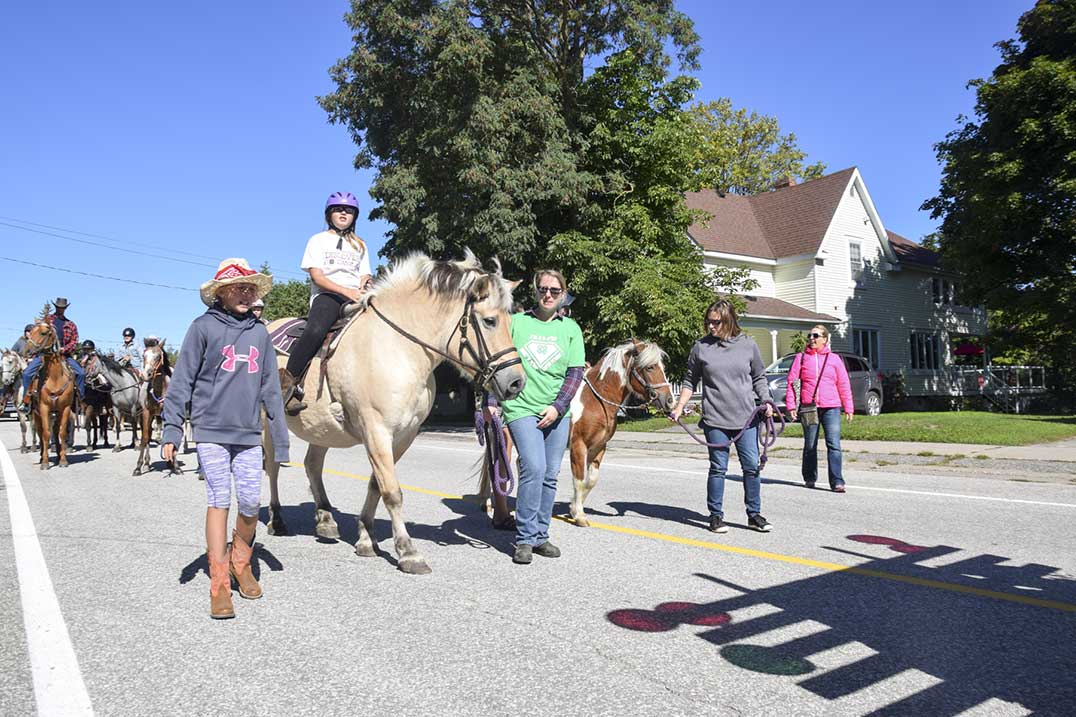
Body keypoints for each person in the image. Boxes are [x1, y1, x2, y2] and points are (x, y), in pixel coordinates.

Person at [161, 258, 290, 620]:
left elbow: (270, 388)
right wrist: (172, 428)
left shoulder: (260, 334)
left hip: (248, 432)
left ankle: (240, 562)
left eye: (252, 288)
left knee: (250, 502)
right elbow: (182, 380)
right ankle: (218, 583)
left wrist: (279, 439)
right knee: (219, 498)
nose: (247, 293)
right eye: (240, 287)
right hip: (211, 430)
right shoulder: (202, 328)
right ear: (221, 292)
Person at [490, 269, 585, 565]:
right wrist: (491, 400)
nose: (548, 295)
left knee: (551, 474)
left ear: (562, 295)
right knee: (534, 466)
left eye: (555, 291)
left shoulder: (571, 329)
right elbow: (497, 359)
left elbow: (575, 373)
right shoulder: (517, 323)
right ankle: (524, 538)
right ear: (535, 291)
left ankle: (541, 535)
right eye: (543, 289)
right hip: (521, 407)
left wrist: (558, 407)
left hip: (557, 411)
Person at [669, 299, 773, 534]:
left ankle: (754, 514)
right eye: (707, 322)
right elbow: (689, 380)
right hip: (715, 419)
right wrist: (679, 407)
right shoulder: (701, 347)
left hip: (747, 419)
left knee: (751, 467)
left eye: (715, 322)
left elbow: (759, 377)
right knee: (718, 468)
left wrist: (766, 400)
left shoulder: (748, 345)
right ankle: (716, 516)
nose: (710, 327)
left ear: (728, 320)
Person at [280, 191, 373, 413]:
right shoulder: (318, 240)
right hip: (328, 294)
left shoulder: (360, 244)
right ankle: (287, 387)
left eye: (349, 210)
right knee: (316, 329)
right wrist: (346, 291)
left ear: (354, 217)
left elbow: (364, 274)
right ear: (329, 214)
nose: (344, 213)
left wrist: (364, 287)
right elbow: (317, 277)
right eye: (339, 209)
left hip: (356, 295)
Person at [786, 324, 853, 492]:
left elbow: (843, 383)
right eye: (810, 335)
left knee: (834, 445)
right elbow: (792, 382)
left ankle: (837, 481)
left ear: (825, 339)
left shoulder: (834, 359)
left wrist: (849, 407)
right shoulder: (801, 358)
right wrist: (791, 405)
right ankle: (809, 477)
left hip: (831, 407)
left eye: (816, 336)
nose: (811, 338)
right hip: (809, 407)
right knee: (810, 445)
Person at [21, 297, 85, 413]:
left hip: (63, 356)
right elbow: (38, 333)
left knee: (80, 373)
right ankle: (26, 400)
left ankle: (80, 399)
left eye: (62, 308)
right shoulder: (47, 320)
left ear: (65, 308)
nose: (60, 309)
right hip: (44, 355)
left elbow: (74, 342)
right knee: (26, 374)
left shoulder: (70, 325)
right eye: (58, 307)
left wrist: (64, 349)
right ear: (55, 307)